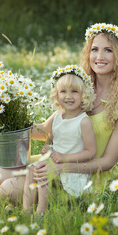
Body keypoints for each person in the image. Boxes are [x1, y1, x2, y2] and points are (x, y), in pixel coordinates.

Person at [0, 22, 118, 203]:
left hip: (87, 175)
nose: (100, 56)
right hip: (57, 163)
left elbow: (108, 162)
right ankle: (11, 193)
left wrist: (62, 169)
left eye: (108, 50)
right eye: (94, 49)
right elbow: (44, 130)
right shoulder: (78, 88)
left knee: (8, 188)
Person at [23, 65, 96, 214]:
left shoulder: (83, 121)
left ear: (84, 95)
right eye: (63, 91)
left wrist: (65, 157)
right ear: (57, 95)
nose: (68, 96)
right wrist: (48, 148)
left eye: (74, 91)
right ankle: (26, 209)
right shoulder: (57, 116)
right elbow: (51, 139)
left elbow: (91, 152)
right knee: (31, 170)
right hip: (55, 161)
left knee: (43, 172)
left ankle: (40, 212)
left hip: (72, 166)